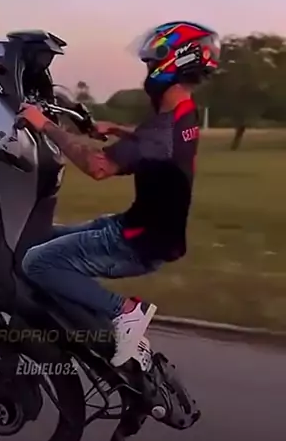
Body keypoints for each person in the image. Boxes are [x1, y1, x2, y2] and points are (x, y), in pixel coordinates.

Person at [17, 21, 221, 374]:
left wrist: (44, 125)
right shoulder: (182, 115)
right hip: (141, 230)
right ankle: (87, 323)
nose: (147, 69)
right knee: (37, 239)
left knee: (37, 263)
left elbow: (98, 167)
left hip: (134, 244)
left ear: (173, 62)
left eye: (151, 61)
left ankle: (126, 312)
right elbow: (156, 146)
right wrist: (116, 129)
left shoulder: (161, 130)